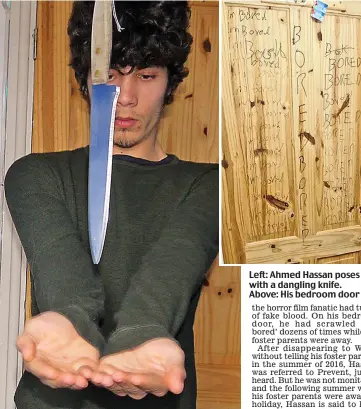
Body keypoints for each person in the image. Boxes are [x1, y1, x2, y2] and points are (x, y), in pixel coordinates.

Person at [4, 2, 218, 409]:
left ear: (170, 83)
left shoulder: (209, 186)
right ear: (87, 80)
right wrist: (68, 318)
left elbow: (173, 268)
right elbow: (63, 274)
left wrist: (142, 333)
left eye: (147, 75)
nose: (127, 97)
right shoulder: (34, 175)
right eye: (110, 75)